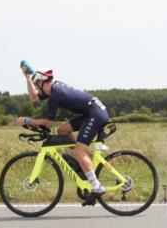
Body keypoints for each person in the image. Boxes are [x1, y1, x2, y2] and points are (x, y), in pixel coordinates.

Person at [15, 66, 111, 203]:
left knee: (79, 151)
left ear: (42, 82)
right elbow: (34, 98)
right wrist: (28, 78)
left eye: (37, 85)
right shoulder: (53, 88)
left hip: (95, 113)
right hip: (91, 112)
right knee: (63, 130)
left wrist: (28, 121)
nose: (36, 88)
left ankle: (97, 187)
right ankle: (82, 164)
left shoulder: (55, 95)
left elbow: (48, 123)